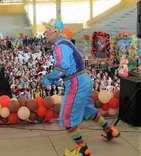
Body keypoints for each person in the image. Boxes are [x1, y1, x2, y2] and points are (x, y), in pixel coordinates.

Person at [42, 19, 120, 156]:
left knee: (67, 119)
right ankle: (109, 130)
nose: (45, 32)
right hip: (83, 81)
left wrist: (48, 78)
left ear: (56, 32)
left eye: (48, 29)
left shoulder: (60, 46)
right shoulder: (66, 43)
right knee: (89, 111)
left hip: (76, 84)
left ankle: (82, 148)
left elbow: (61, 68)